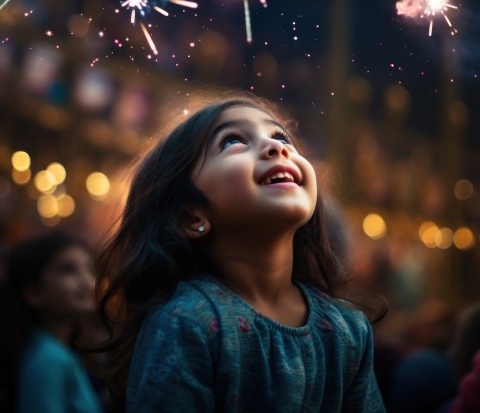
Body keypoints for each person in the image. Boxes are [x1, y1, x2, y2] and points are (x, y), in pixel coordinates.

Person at [96, 94, 386, 412]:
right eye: (233, 141)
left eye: (280, 136)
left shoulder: (349, 330)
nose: (278, 148)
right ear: (190, 216)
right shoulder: (186, 323)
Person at [0, 232, 104, 413]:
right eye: (68, 270)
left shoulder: (53, 351)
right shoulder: (48, 359)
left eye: (90, 269)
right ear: (34, 293)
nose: (87, 280)